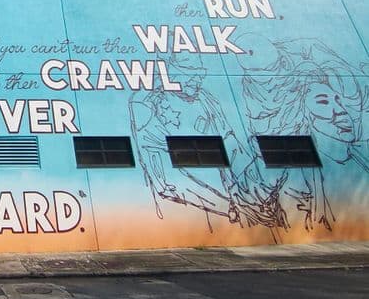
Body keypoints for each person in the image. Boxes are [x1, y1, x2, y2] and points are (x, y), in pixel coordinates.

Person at [129, 49, 285, 230]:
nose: (198, 79)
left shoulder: (204, 98)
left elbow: (232, 147)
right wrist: (231, 203)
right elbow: (163, 180)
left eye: (201, 73)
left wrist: (254, 189)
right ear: (167, 70)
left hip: (238, 203)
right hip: (188, 213)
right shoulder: (147, 104)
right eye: (189, 73)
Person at [238, 35, 369, 230]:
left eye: (340, 100)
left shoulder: (359, 160)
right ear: (301, 112)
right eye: (323, 102)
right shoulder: (297, 178)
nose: (340, 110)